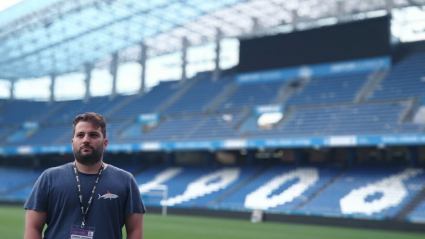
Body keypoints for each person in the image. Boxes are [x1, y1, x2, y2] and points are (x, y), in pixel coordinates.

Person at [24, 112, 145, 239]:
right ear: (72, 143)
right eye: (80, 135)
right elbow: (33, 228)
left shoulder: (126, 181)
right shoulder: (49, 178)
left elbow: (135, 231)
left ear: (105, 143)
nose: (86, 140)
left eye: (93, 135)